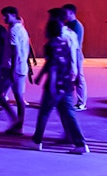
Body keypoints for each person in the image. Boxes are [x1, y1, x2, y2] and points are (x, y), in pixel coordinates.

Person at [31, 18, 88, 154]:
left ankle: (37, 141)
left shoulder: (50, 45)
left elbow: (53, 66)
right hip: (67, 85)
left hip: (55, 86)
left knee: (44, 113)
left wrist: (51, 86)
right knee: (69, 114)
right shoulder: (65, 43)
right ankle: (81, 144)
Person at [1, 6, 30, 135]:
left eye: (6, 16)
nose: (4, 18)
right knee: (19, 97)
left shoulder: (13, 30)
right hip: (21, 67)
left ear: (13, 15)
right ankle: (18, 126)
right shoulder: (22, 29)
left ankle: (15, 121)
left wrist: (12, 70)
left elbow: (15, 52)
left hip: (12, 68)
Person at [48, 8, 83, 111]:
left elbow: (73, 52)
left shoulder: (69, 34)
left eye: (51, 17)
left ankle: (80, 103)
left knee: (67, 106)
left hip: (65, 72)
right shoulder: (57, 32)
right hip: (60, 71)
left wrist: (73, 70)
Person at [63, 4, 88, 110]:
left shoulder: (77, 26)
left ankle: (82, 103)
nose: (64, 15)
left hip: (76, 54)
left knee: (79, 78)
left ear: (71, 13)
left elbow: (76, 44)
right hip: (69, 54)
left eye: (65, 13)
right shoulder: (67, 24)